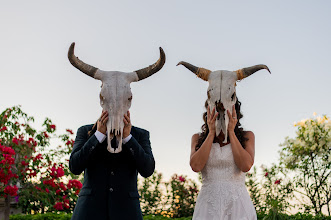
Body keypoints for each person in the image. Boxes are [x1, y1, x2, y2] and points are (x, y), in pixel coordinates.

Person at [69, 110, 155, 220]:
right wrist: (98, 135)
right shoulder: (86, 131)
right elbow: (74, 166)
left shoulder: (140, 134)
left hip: (127, 211)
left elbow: (148, 169)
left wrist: (128, 138)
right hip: (88, 211)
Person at [190, 100, 257, 219]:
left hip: (237, 204)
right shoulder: (197, 138)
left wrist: (231, 131)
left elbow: (245, 166)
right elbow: (196, 166)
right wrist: (211, 133)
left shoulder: (247, 136)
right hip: (208, 204)